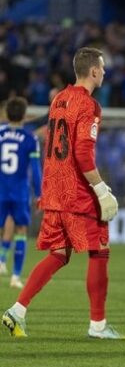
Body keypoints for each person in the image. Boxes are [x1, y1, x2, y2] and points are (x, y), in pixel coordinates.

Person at [2, 47, 125, 339]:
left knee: (59, 254)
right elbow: (83, 152)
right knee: (99, 252)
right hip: (76, 193)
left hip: (54, 189)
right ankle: (98, 326)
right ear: (94, 71)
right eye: (103, 68)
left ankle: (17, 311)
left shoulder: (59, 98)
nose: (105, 72)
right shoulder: (90, 105)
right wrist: (100, 188)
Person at [0, 97, 42, 289]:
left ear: (6, 114)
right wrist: (41, 193)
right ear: (24, 116)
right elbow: (35, 169)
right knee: (21, 231)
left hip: (1, 190)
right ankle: (16, 277)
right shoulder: (30, 138)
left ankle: (2, 260)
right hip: (19, 193)